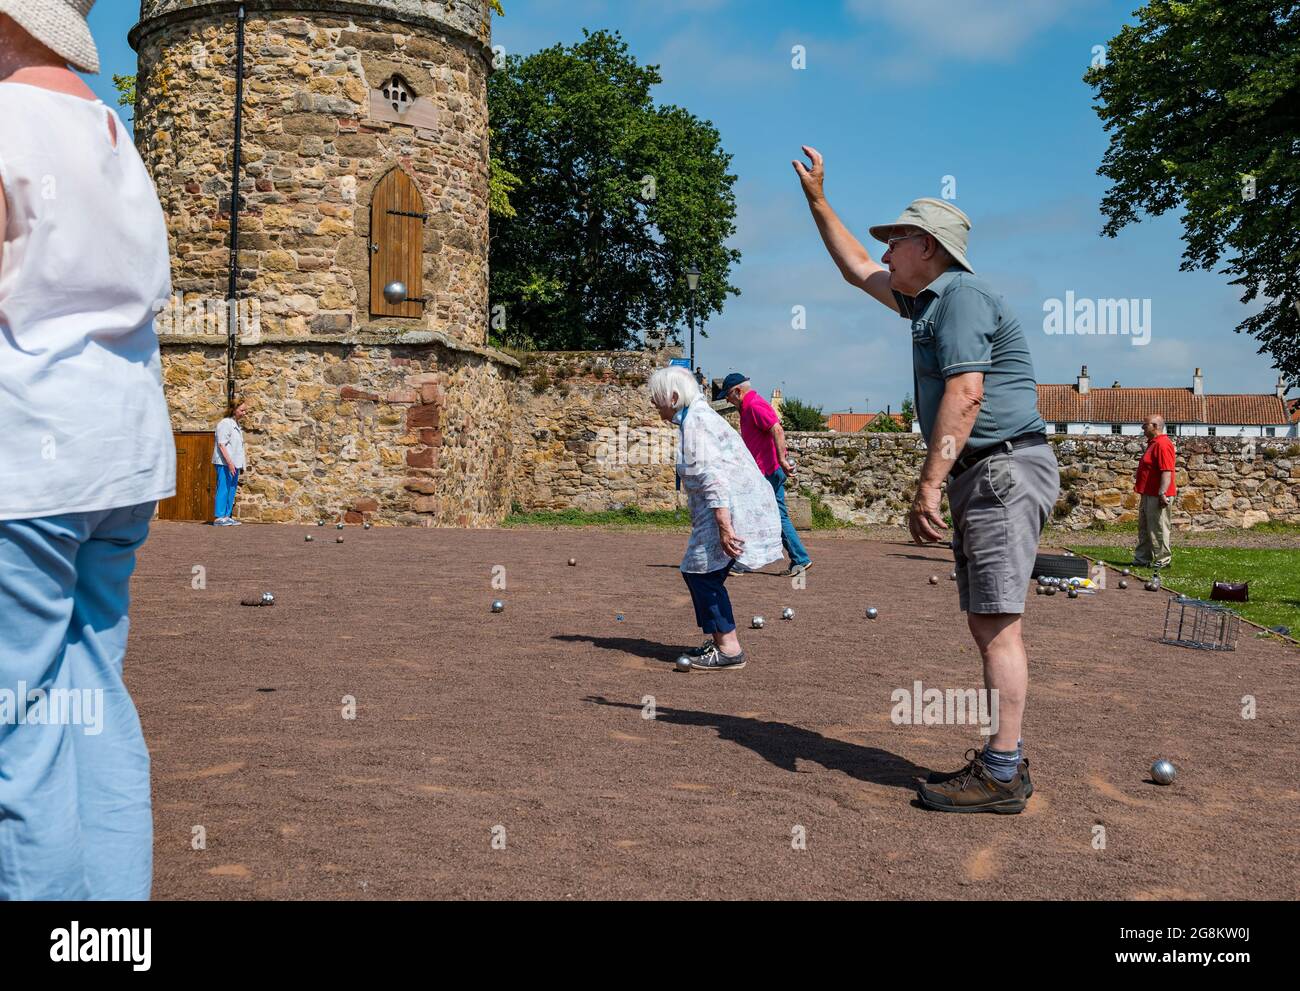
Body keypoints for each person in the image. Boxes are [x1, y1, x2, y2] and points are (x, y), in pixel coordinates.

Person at [795, 146, 1058, 814]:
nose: (885, 252)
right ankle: (1003, 762)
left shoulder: (961, 296)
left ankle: (1002, 772)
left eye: (896, 240)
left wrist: (928, 484)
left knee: (998, 626)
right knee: (987, 621)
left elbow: (966, 393)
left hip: (999, 469)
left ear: (929, 247)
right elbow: (857, 270)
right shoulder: (926, 306)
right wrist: (818, 199)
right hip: (987, 472)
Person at [0, 1, 175, 898]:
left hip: (26, 460)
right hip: (123, 455)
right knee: (92, 696)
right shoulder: (115, 133)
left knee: (16, 728)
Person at [648, 365, 782, 671]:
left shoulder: (696, 422)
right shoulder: (696, 418)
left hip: (727, 509)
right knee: (705, 573)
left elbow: (713, 477)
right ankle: (721, 639)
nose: (654, 403)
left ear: (673, 395)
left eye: (657, 397)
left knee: (701, 574)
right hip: (727, 507)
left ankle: (729, 648)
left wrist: (724, 526)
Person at [722, 372, 812, 577]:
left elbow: (777, 429)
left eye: (728, 395)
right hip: (764, 471)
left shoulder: (753, 404)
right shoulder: (747, 407)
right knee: (773, 515)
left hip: (768, 471)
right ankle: (799, 558)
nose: (727, 400)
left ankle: (743, 561)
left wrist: (781, 459)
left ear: (737, 391)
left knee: (754, 514)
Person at [1133, 414, 1175, 569]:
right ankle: (1142, 558)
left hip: (1157, 494)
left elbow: (1166, 471)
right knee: (1145, 528)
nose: (1143, 428)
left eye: (1145, 425)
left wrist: (1162, 493)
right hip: (1148, 493)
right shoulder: (1154, 443)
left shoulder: (1163, 444)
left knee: (1158, 528)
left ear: (1155, 426)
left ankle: (1163, 560)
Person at [213, 398, 248, 526]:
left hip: (234, 463)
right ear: (234, 410)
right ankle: (219, 517)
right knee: (223, 488)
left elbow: (238, 447)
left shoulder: (236, 425)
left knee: (231, 489)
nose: (244, 413)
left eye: (245, 410)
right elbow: (221, 444)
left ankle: (227, 516)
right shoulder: (225, 423)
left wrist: (241, 464)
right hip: (224, 463)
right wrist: (230, 463)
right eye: (242, 410)